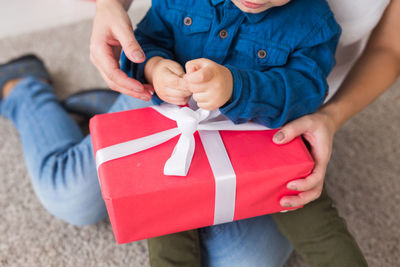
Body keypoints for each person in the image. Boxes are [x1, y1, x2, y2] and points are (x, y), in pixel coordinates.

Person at [0, 0, 398, 266]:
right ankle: (27, 90)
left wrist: (237, 87)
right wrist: (155, 68)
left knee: (310, 221)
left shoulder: (315, 23)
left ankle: (99, 109)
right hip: (168, 121)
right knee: (155, 222)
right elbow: (147, 43)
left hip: (262, 138)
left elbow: (306, 90)